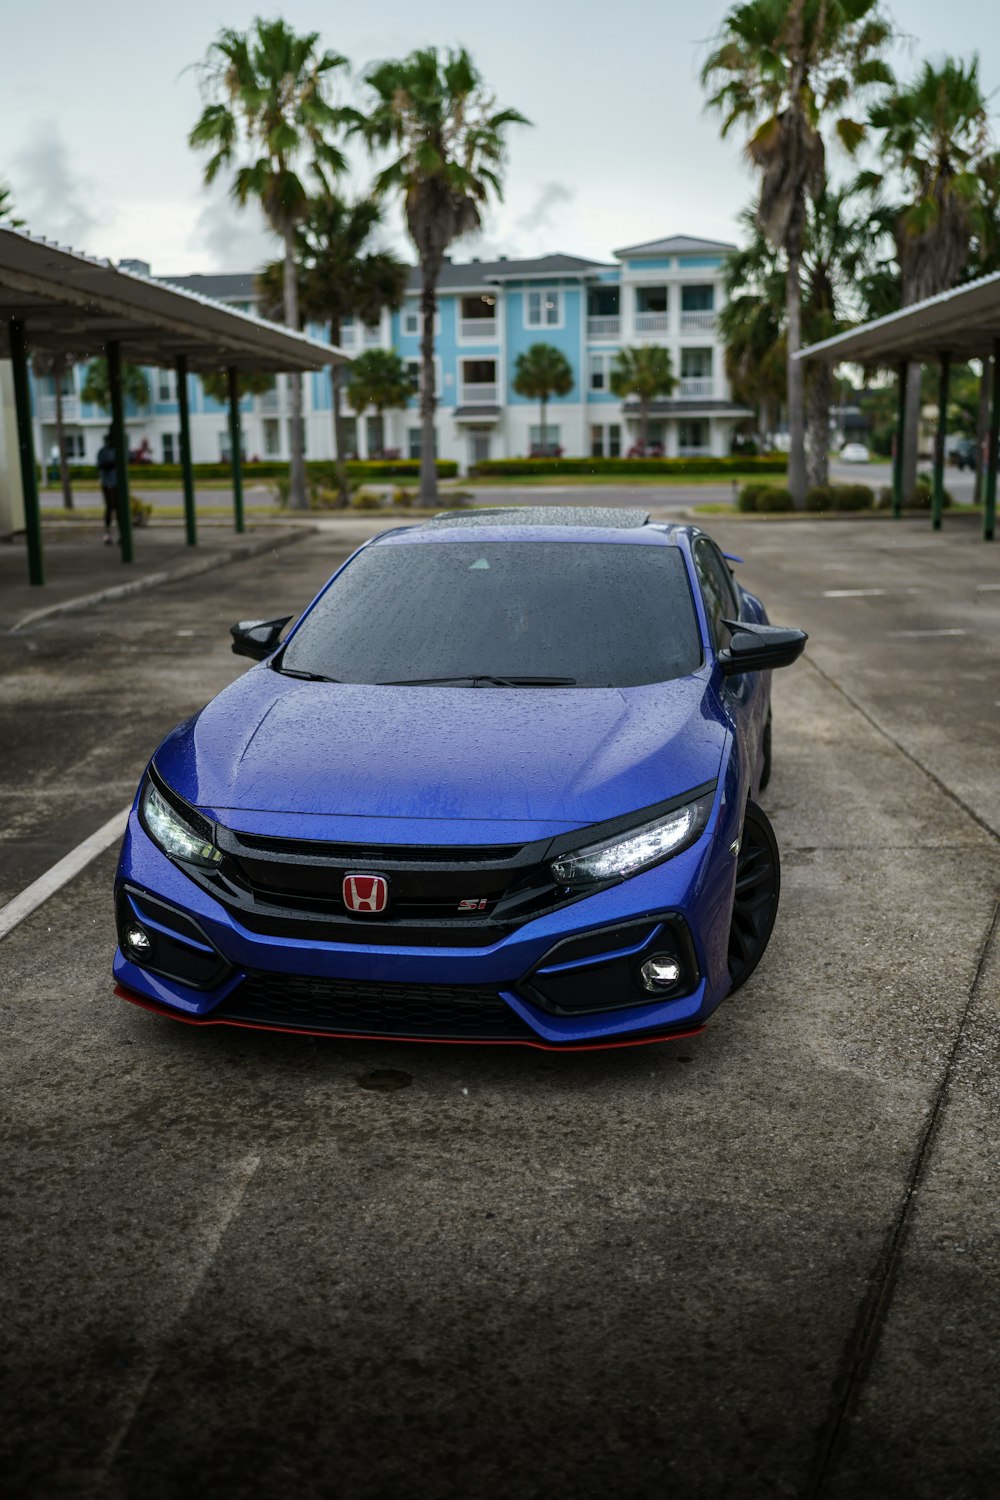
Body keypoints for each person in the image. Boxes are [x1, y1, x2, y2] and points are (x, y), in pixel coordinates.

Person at [96, 429, 117, 545]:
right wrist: (112, 463)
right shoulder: (103, 452)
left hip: (117, 483)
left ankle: (121, 535)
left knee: (119, 508)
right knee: (110, 507)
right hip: (108, 483)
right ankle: (107, 534)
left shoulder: (118, 450)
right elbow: (100, 466)